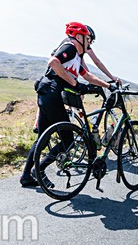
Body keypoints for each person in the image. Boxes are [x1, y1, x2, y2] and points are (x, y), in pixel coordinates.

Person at [20, 22, 117, 187]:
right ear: (79, 37)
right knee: (68, 139)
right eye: (89, 39)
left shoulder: (77, 57)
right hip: (51, 93)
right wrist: (73, 82)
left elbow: (87, 76)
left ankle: (26, 176)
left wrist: (108, 85)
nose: (90, 44)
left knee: (42, 138)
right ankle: (39, 169)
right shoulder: (70, 47)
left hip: (47, 93)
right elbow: (53, 62)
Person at [31, 24, 122, 133]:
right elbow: (96, 62)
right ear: (82, 37)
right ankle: (66, 116)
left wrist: (96, 81)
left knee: (56, 95)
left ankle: (69, 113)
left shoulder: (78, 48)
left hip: (56, 77)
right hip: (57, 73)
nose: (89, 44)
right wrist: (111, 78)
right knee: (57, 92)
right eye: (89, 40)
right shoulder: (73, 46)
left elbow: (84, 70)